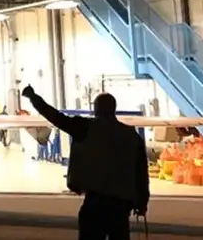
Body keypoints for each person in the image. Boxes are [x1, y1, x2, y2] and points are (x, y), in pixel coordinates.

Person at [22, 85, 149, 240]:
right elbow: (141, 173)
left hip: (95, 204)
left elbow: (55, 116)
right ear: (114, 109)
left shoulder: (85, 128)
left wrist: (33, 98)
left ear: (96, 109)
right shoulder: (131, 136)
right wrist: (142, 202)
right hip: (121, 207)